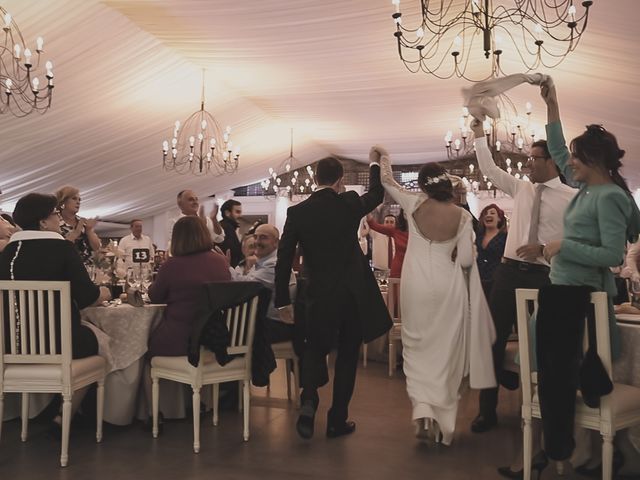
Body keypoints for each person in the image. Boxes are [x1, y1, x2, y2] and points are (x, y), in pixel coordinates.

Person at [378, 148, 496, 445]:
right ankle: (443, 421)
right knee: (444, 353)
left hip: (415, 285)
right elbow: (468, 261)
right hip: (448, 287)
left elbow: (388, 181)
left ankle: (422, 414)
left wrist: (383, 157)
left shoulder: (414, 202)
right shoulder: (463, 217)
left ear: (423, 185)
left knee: (417, 349)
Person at [471, 118, 576, 435]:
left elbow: (579, 240)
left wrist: (546, 248)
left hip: (544, 277)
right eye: (528, 157)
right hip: (507, 273)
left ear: (552, 162)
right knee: (491, 339)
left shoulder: (572, 198)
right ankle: (486, 412)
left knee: (542, 345)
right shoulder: (522, 187)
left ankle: (541, 412)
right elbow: (489, 170)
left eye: (534, 158)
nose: (528, 163)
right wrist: (478, 134)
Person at [274, 154, 391, 440]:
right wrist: (374, 163)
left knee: (315, 348)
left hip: (316, 293)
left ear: (315, 179)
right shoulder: (349, 203)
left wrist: (282, 300)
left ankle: (310, 399)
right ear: (340, 180)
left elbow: (284, 258)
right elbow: (376, 193)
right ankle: (337, 420)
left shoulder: (297, 212)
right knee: (348, 355)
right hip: (351, 293)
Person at [0, 193, 111, 427]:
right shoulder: (61, 249)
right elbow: (87, 297)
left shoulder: (7, 253)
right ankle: (65, 415)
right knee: (100, 340)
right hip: (60, 343)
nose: (58, 220)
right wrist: (104, 293)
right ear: (42, 222)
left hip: (12, 343)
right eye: (55, 215)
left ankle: (50, 411)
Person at [148, 216, 231, 358]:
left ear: (177, 239)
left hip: (181, 339)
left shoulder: (172, 265)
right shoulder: (221, 262)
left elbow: (155, 297)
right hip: (216, 339)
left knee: (145, 348)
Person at [231, 224, 296, 344]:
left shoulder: (274, 264)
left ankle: (241, 361)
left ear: (276, 242)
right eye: (255, 237)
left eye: (263, 237)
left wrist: (224, 267)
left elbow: (245, 287)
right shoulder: (261, 263)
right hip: (267, 322)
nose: (257, 241)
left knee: (230, 329)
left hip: (278, 325)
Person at [55, 186, 101, 265]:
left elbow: (97, 247)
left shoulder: (83, 222)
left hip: (85, 268)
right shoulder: (54, 221)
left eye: (79, 199)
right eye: (74, 199)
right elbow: (55, 248)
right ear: (63, 201)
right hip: (62, 267)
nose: (78, 202)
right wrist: (76, 232)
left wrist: (89, 230)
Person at [475, 204, 508, 299]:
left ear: (499, 219)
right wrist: (463, 197)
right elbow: (468, 214)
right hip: (478, 277)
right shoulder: (479, 235)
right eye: (485, 214)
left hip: (496, 279)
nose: (488, 215)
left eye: (492, 213)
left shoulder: (505, 237)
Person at [365, 211, 409, 278]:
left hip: (412, 268)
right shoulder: (395, 231)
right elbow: (372, 224)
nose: (389, 224)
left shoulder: (420, 234)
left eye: (391, 222)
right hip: (394, 270)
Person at [219, 199, 243, 268]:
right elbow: (233, 252)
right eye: (237, 212)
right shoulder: (225, 228)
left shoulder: (229, 227)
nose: (240, 215)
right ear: (227, 213)